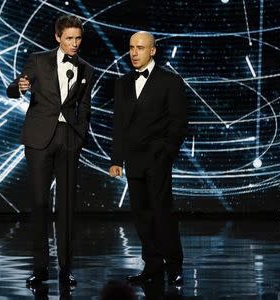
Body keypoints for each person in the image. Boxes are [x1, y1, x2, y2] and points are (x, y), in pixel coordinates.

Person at [6, 15, 94, 286]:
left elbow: (85, 107)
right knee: (40, 203)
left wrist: (79, 135)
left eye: (78, 38)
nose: (74, 43)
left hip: (69, 139)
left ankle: (66, 269)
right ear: (58, 38)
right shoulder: (38, 60)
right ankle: (40, 268)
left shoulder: (87, 69)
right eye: (69, 38)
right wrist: (19, 87)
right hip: (39, 138)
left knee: (67, 207)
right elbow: (14, 87)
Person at [109, 31, 187, 286]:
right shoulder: (122, 83)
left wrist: (166, 154)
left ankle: (174, 266)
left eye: (140, 47)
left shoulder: (170, 81)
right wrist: (116, 159)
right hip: (133, 160)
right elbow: (119, 124)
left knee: (162, 213)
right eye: (131, 47)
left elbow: (178, 122)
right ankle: (152, 266)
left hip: (157, 159)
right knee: (141, 215)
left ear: (152, 51)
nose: (134, 52)